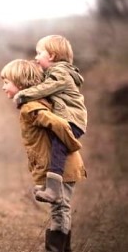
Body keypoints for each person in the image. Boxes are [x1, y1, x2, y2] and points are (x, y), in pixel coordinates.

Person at [1, 59, 87, 252]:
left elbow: (57, 123)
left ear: (21, 84)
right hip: (62, 166)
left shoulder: (30, 107)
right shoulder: (33, 104)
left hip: (61, 167)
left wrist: (71, 142)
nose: (3, 86)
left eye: (6, 81)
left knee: (59, 208)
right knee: (62, 207)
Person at [13, 35, 87, 204]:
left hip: (72, 120)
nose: (36, 57)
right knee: (50, 146)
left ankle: (53, 190)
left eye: (39, 54)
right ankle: (46, 184)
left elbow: (47, 88)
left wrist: (23, 95)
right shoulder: (55, 73)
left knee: (58, 148)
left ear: (52, 56)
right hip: (69, 118)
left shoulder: (60, 73)